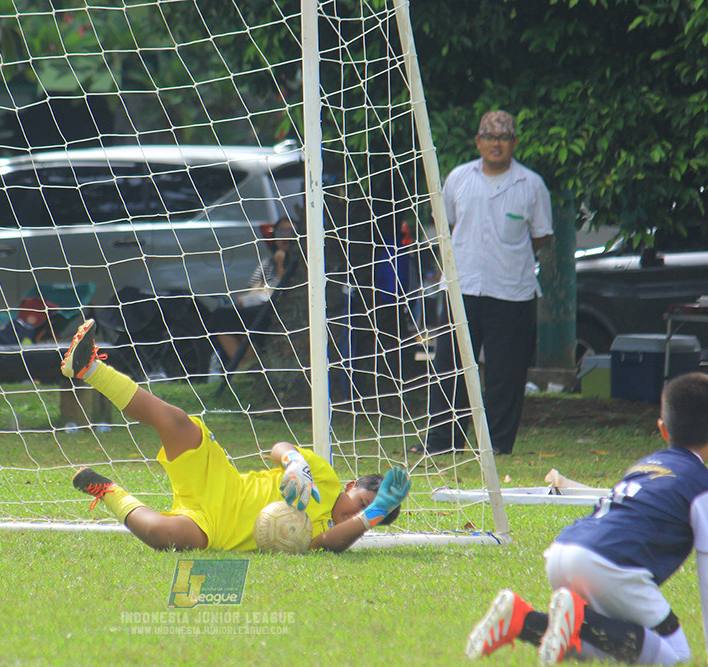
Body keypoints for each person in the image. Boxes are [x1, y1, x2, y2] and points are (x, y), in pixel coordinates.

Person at [63, 318, 410, 552]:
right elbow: (279, 447)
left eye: (368, 519)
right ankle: (89, 368)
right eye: (362, 504)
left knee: (163, 536)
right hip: (221, 483)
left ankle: (107, 490)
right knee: (177, 422)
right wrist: (294, 463)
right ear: (351, 486)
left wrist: (373, 514)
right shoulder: (326, 479)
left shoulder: (319, 533)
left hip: (214, 529)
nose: (356, 516)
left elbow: (330, 545)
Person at [465, 372, 708, 666]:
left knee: (605, 644)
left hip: (565, 549)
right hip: (610, 565)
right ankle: (578, 617)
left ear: (662, 429)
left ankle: (522, 619)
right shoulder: (700, 485)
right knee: (677, 657)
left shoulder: (645, 465)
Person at [424, 110, 552, 455]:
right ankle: (441, 443)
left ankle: (497, 445)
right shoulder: (458, 178)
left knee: (505, 372)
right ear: (478, 141)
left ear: (515, 143)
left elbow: (540, 236)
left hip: (511, 290)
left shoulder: (531, 185)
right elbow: (447, 227)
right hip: (462, 286)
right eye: (490, 137)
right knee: (450, 368)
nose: (497, 144)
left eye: (504, 137)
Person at [207, 216, 298, 370]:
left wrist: (281, 265)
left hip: (278, 308)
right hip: (259, 303)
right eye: (280, 231)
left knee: (252, 320)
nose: (284, 235)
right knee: (221, 315)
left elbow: (286, 290)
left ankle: (249, 367)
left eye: (289, 231)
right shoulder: (267, 263)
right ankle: (241, 367)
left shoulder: (298, 262)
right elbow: (254, 287)